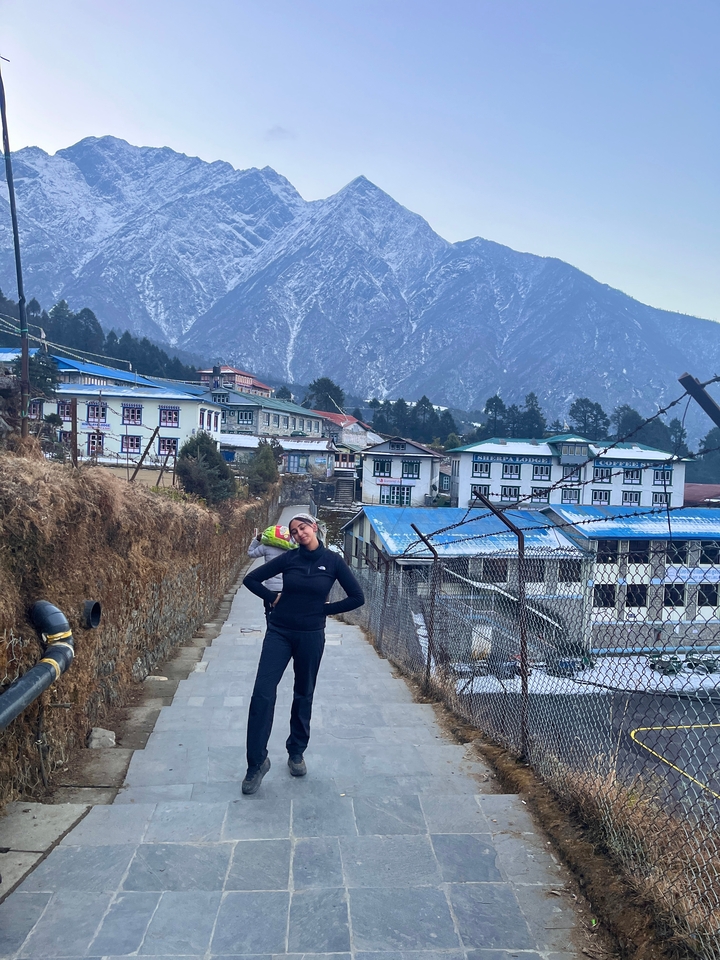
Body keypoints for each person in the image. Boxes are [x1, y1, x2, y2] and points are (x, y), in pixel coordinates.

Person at [241, 512, 364, 794]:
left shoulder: (333, 561)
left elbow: (357, 597)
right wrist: (274, 597)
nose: (299, 533)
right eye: (294, 531)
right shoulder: (290, 558)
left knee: (304, 692)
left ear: (315, 528)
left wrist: (324, 610)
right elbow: (251, 580)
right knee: (262, 692)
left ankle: (296, 751)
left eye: (303, 527)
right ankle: (256, 763)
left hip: (310, 635)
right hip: (279, 631)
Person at [247, 525, 295, 621]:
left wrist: (257, 540)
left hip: (270, 589)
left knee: (270, 614)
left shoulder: (266, 547)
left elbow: (251, 553)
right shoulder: (291, 549)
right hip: (287, 588)